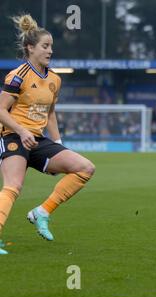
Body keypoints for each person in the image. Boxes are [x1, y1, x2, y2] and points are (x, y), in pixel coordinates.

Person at [0, 15, 95, 255]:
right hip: (13, 135)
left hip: (38, 140)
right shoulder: (18, 75)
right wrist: (21, 131)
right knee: (13, 186)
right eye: (45, 46)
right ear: (30, 48)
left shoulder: (55, 79)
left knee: (85, 168)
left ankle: (42, 212)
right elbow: (1, 110)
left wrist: (60, 145)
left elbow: (50, 112)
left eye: (51, 46)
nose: (50, 51)